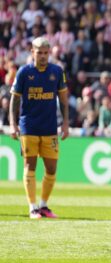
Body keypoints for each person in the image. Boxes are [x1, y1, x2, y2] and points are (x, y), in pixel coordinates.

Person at [9, 37, 69, 219]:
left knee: (51, 168)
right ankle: (32, 207)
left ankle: (43, 205)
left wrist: (65, 123)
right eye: (39, 52)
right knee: (30, 166)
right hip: (29, 126)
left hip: (50, 127)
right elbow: (15, 100)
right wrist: (13, 124)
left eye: (45, 53)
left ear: (49, 53)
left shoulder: (57, 72)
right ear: (32, 52)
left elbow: (64, 99)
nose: (42, 56)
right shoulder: (23, 72)